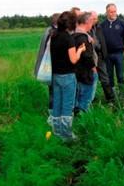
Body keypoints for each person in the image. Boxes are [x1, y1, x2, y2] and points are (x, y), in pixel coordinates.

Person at [50, 11, 86, 141]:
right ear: (70, 24)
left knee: (57, 105)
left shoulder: (53, 36)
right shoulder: (68, 38)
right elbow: (73, 59)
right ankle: (67, 135)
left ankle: (57, 132)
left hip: (55, 75)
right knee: (67, 106)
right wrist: (80, 50)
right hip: (68, 76)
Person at [100, 3, 124, 94]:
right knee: (109, 75)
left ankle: (122, 92)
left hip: (119, 53)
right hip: (107, 54)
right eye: (111, 12)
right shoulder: (102, 25)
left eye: (114, 11)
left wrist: (120, 42)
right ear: (107, 12)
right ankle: (112, 93)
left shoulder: (122, 23)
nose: (113, 13)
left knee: (120, 75)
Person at [34, 12, 59, 121]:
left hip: (49, 67)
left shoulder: (48, 30)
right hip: (53, 67)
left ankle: (52, 114)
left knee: (52, 91)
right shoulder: (53, 32)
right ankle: (53, 116)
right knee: (54, 92)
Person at [74, 12, 98, 114]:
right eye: (92, 22)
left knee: (77, 96)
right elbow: (87, 56)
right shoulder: (84, 38)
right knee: (85, 98)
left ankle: (76, 115)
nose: (92, 26)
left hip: (76, 72)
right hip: (85, 73)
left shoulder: (73, 35)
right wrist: (93, 68)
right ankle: (83, 119)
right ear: (87, 22)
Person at [89, 11, 115, 103]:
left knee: (105, 78)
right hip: (90, 58)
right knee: (91, 79)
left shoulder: (99, 27)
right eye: (93, 18)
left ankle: (111, 99)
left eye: (96, 18)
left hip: (100, 57)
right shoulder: (86, 29)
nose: (95, 20)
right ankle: (89, 100)